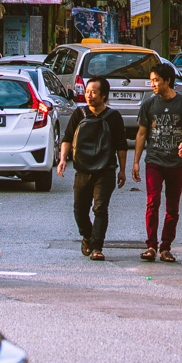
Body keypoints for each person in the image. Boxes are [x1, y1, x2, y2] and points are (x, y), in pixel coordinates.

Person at [133, 61, 182, 262]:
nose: (152, 84)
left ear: (168, 81)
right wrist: (136, 162)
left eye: (156, 80)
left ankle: (166, 246)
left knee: (173, 207)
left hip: (175, 162)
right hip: (153, 161)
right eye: (151, 80)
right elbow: (141, 134)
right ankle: (151, 246)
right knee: (152, 202)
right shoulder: (149, 105)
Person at [57, 76, 129, 260]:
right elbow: (67, 139)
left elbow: (121, 145)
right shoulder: (79, 114)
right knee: (79, 210)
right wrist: (62, 159)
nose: (89, 95)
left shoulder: (113, 117)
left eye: (94, 92)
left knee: (100, 208)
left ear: (103, 95)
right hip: (82, 170)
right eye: (87, 92)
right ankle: (88, 236)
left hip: (105, 170)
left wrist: (122, 169)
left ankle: (97, 247)